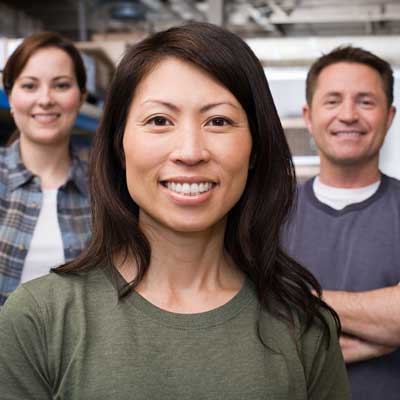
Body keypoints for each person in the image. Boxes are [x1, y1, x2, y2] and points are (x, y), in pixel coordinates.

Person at [0, 23, 350, 399]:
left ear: (255, 148)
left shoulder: (305, 327)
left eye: (218, 121)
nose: (189, 151)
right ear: (120, 146)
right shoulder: (37, 319)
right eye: (159, 121)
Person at [282, 46, 400, 400]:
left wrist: (292, 296)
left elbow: (268, 307)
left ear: (390, 116)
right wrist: (384, 328)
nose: (348, 115)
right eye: (332, 101)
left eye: (365, 102)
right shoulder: (266, 215)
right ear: (309, 115)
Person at [0, 32, 91, 305]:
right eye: (30, 86)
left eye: (61, 85)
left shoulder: (105, 187)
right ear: (11, 97)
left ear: (81, 97)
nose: (45, 99)